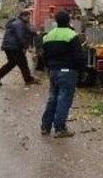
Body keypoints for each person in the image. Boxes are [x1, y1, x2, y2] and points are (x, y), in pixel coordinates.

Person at [40, 10, 86, 138]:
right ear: (68, 20)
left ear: (56, 21)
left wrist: (49, 68)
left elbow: (44, 55)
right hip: (68, 72)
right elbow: (78, 56)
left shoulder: (49, 35)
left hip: (53, 71)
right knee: (64, 99)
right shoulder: (71, 35)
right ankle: (60, 128)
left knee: (52, 98)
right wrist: (82, 71)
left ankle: (45, 127)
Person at [0, 10, 39, 86]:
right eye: (28, 17)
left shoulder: (20, 23)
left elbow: (27, 32)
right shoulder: (19, 24)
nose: (29, 19)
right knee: (23, 63)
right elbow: (21, 37)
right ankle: (28, 80)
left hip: (9, 46)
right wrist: (26, 47)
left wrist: (35, 33)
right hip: (14, 47)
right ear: (23, 16)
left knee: (12, 63)